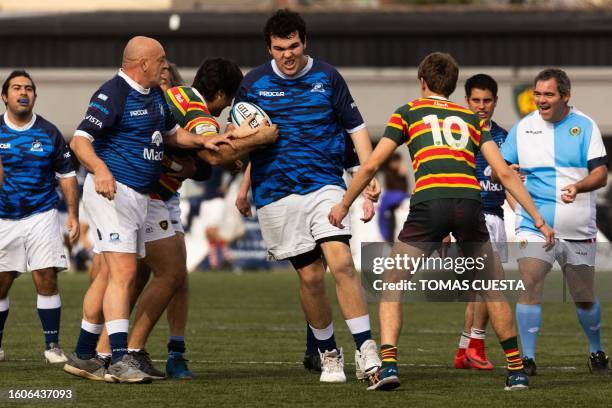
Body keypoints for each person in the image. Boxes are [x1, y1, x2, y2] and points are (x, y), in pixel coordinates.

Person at [329, 52, 555, 391]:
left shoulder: (409, 111)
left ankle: (388, 364)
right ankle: (516, 370)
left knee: (394, 280)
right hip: (468, 202)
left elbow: (373, 162)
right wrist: (538, 219)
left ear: (423, 82)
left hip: (430, 202)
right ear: (452, 86)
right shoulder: (471, 117)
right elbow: (505, 173)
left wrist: (344, 203)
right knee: (492, 286)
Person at [71, 57, 277, 381]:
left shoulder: (168, 101)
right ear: (222, 94)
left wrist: (209, 159)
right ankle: (126, 353)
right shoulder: (190, 103)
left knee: (131, 276)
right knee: (166, 273)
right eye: (159, 66)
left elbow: (196, 152)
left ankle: (97, 354)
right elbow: (213, 154)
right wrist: (259, 139)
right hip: (142, 195)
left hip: (156, 196)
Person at [234, 9, 382, 383]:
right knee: (312, 278)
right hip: (277, 193)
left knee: (342, 261)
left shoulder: (327, 77)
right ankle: (328, 352)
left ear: (305, 42)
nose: (288, 54)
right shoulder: (253, 83)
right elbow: (238, 140)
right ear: (269, 47)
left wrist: (366, 172)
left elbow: (357, 127)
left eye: (294, 46)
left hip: (324, 185)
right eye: (280, 48)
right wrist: (244, 183)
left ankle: (366, 350)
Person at [500, 68, 608, 375]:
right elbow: (502, 168)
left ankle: (596, 351)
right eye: (537, 94)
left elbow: (600, 172)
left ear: (565, 96)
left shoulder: (585, 126)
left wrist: (579, 186)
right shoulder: (522, 128)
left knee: (583, 297)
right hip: (533, 223)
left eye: (548, 94)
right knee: (531, 280)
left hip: (577, 228)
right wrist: (507, 173)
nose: (541, 100)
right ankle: (528, 358)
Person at [0, 70, 79, 363]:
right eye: (17, 88)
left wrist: (72, 213)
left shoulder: (49, 132)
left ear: (35, 95)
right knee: (1, 283)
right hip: (3, 217)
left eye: (29, 88)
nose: (24, 92)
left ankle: (52, 346)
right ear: (5, 96)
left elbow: (67, 175)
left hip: (42, 213)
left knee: (46, 277)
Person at [453, 73, 515, 370]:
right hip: (470, 215)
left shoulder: (504, 137)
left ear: (495, 102)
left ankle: (464, 350)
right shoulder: (457, 132)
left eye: (487, 100)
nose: (481, 106)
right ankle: (476, 345)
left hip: (497, 216)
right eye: (475, 100)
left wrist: (524, 215)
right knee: (492, 284)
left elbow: (509, 181)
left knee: (480, 288)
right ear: (466, 101)